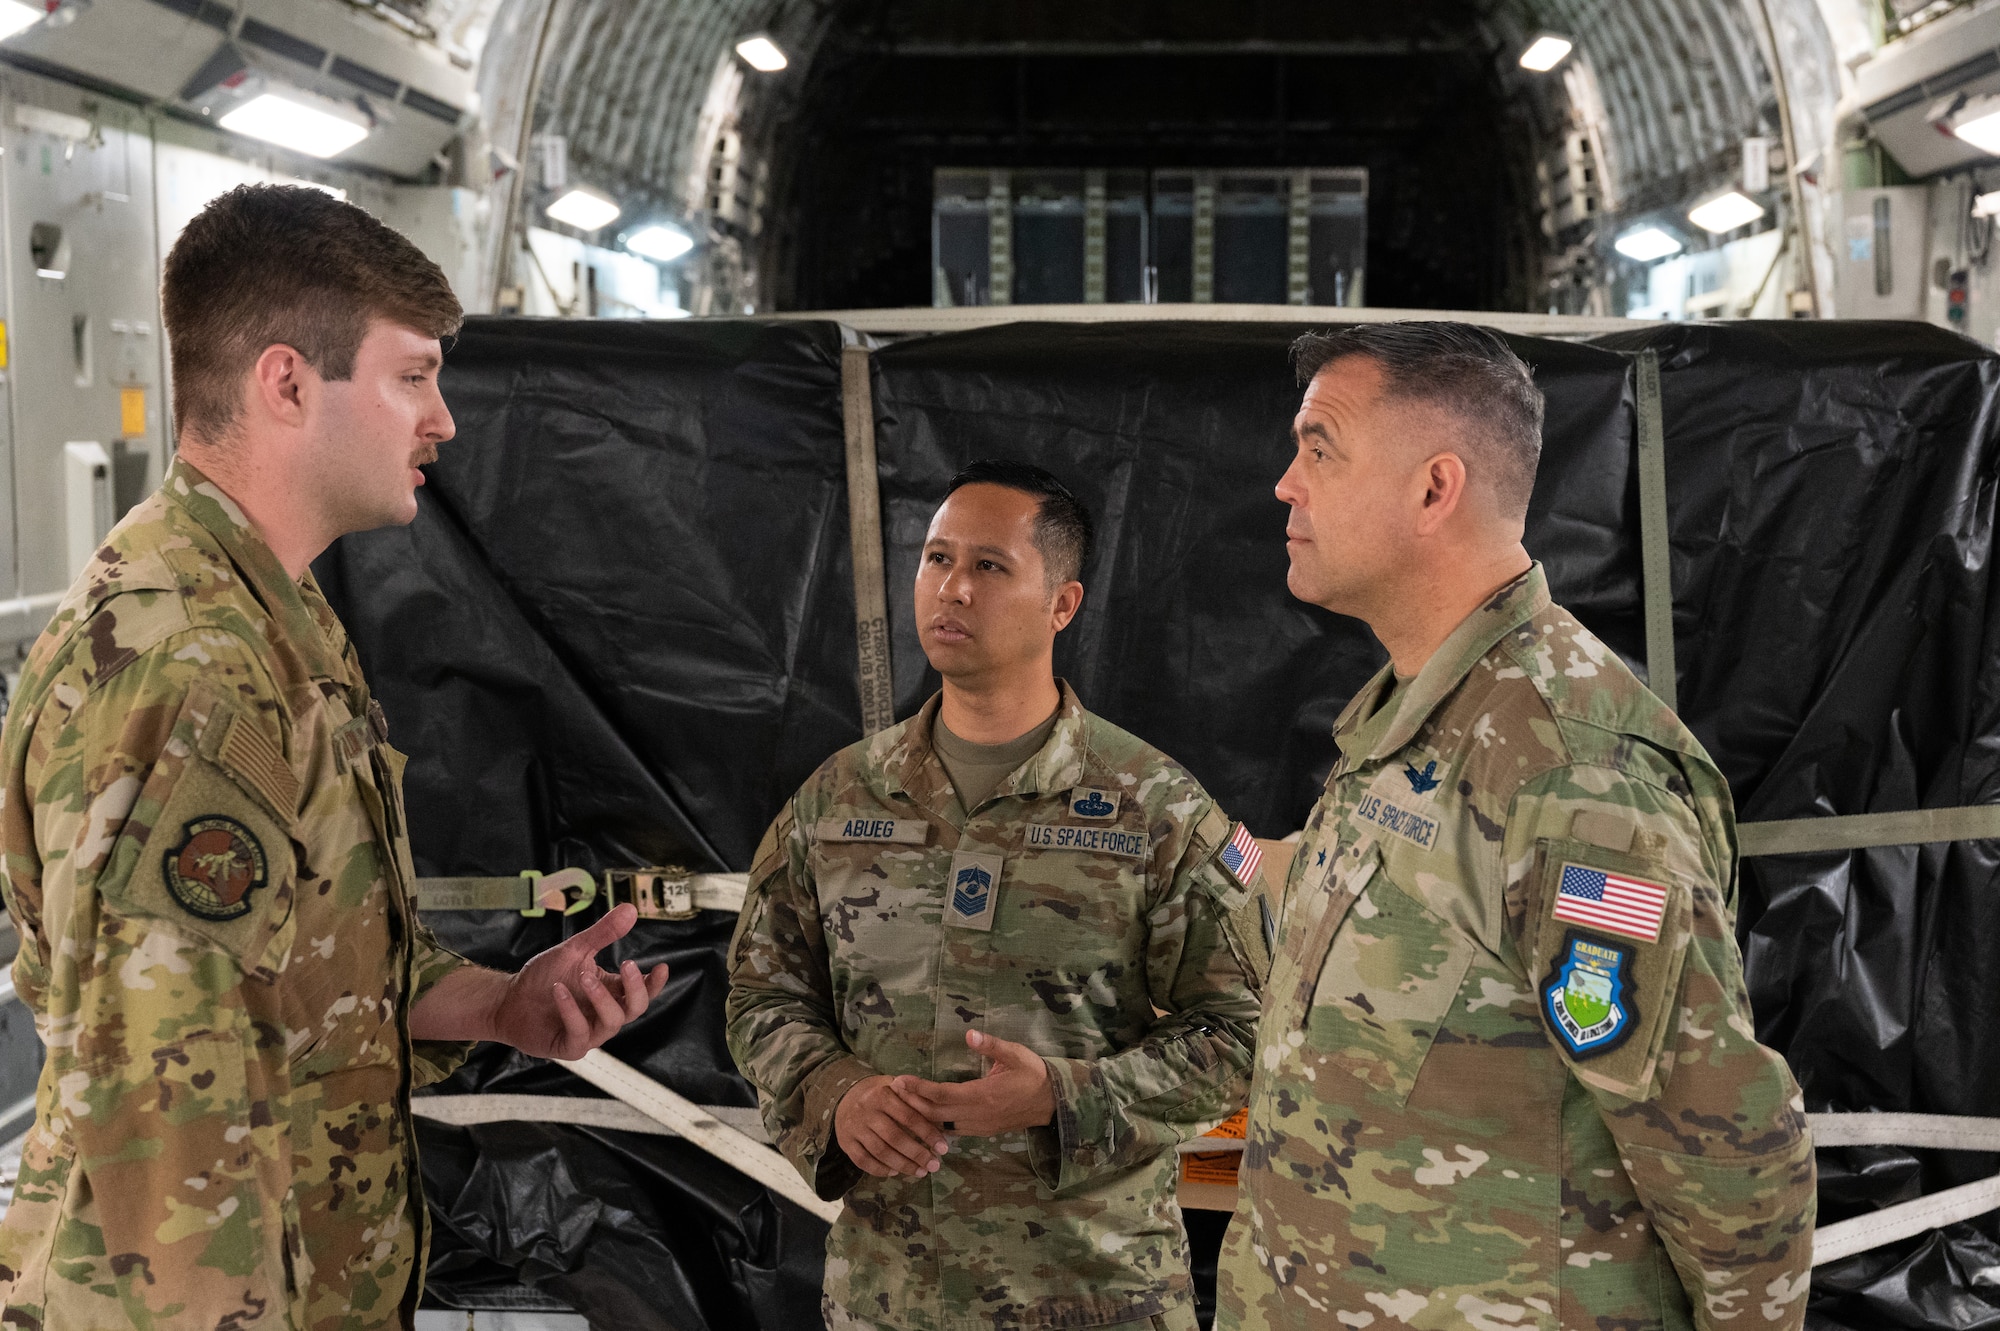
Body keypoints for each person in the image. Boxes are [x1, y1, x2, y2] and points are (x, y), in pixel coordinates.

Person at [0, 184, 669, 1331]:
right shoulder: (196, 670)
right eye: (412, 374)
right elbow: (164, 1118)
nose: (443, 418)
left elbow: (307, 978)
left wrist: (501, 1004)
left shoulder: (275, 619)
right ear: (288, 382)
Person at [1216, 323, 1815, 1331]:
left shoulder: (1566, 773)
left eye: (1317, 447)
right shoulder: (1418, 722)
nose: (1285, 483)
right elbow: (1381, 923)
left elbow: (1720, 1150)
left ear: (1431, 488)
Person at [727, 460, 1269, 1331]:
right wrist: (837, 1092)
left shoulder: (1154, 805)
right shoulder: (839, 799)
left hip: (1097, 1295)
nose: (953, 588)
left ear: (1063, 603)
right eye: (937, 559)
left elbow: (1249, 1029)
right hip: (891, 1296)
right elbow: (763, 994)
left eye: (989, 566)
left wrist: (1066, 1094)